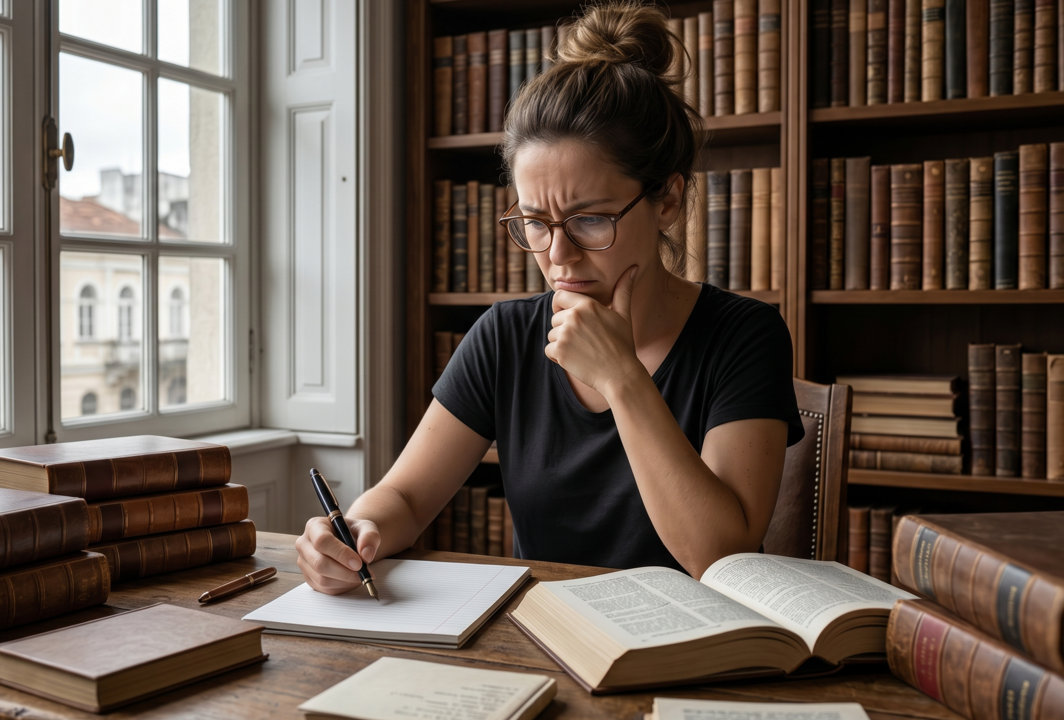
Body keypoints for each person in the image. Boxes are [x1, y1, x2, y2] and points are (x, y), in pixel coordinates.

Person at [296, 0, 804, 591]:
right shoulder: (506, 337)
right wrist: (353, 532)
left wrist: (622, 378)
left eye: (590, 219)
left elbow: (720, 555)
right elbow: (406, 497)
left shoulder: (744, 336)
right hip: (549, 643)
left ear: (668, 201)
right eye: (535, 222)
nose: (557, 256)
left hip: (699, 657)